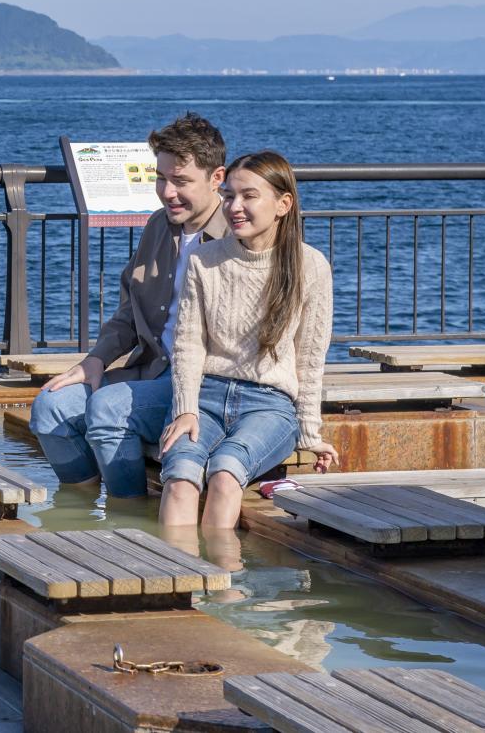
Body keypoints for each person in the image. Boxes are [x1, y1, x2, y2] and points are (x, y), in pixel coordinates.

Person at [29, 113, 230, 497]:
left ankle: (128, 516)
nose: (167, 191)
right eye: (161, 178)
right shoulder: (158, 226)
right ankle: (82, 513)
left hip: (202, 385)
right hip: (149, 369)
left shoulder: (236, 236)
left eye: (181, 181)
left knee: (108, 409)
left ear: (216, 178)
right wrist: (96, 359)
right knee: (49, 409)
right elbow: (129, 310)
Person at [157, 150, 337, 529]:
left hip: (269, 405)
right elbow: (188, 345)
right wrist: (185, 408)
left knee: (224, 474)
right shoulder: (203, 260)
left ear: (283, 204)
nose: (234, 207)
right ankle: (176, 581)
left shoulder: (311, 266)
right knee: (180, 478)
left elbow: (309, 358)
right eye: (228, 196)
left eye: (249, 196)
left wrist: (309, 433)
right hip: (205, 396)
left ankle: (222, 586)